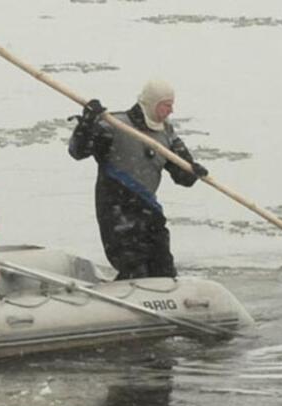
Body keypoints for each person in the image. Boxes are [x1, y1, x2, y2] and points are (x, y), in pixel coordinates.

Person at [68, 79, 208, 280]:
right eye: (166, 105)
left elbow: (182, 177)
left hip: (149, 213)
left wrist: (193, 171)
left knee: (163, 271)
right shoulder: (115, 125)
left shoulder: (166, 133)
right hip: (118, 211)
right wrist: (88, 122)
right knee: (135, 269)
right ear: (152, 103)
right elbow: (78, 151)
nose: (171, 111)